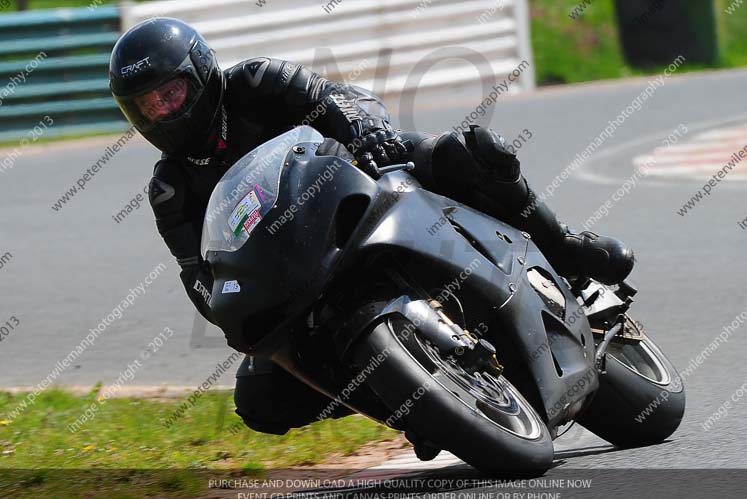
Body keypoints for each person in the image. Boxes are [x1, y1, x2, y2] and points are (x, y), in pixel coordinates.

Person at [109, 18, 634, 436]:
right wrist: (225, 305)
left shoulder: (256, 81)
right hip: (298, 267)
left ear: (199, 74)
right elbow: (198, 273)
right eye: (145, 106)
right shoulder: (171, 191)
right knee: (261, 399)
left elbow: (328, 97)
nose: (161, 112)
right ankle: (410, 400)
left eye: (170, 95)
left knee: (471, 153)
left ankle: (565, 251)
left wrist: (366, 135)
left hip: (363, 178)